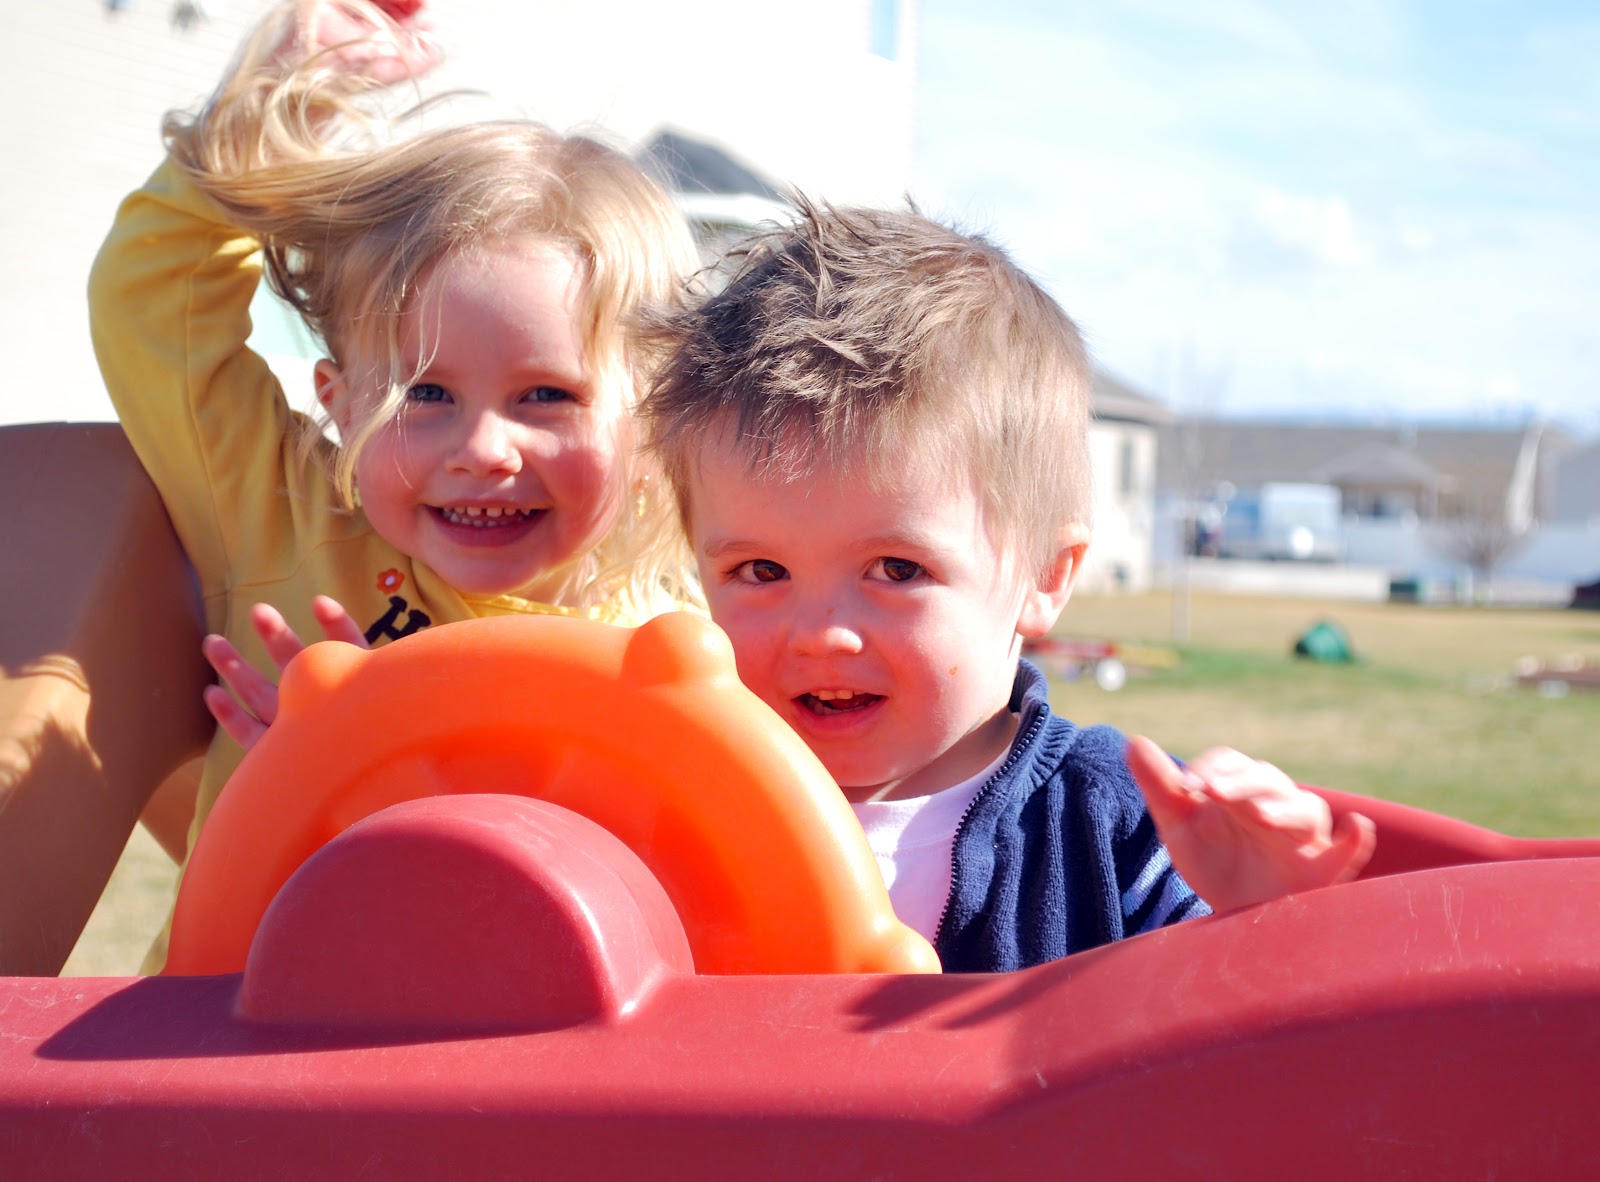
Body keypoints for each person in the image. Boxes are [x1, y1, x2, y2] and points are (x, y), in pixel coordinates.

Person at [87, 0, 700, 970]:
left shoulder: (674, 651)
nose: (484, 449)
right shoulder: (283, 515)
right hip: (230, 1029)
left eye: (547, 395)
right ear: (338, 402)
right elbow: (157, 303)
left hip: (531, 1048)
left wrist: (361, 769)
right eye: (426, 394)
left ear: (652, 418)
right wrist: (276, 103)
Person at [635, 201, 1377, 971]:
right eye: (761, 571)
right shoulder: (670, 807)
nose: (821, 631)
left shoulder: (1120, 828)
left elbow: (1248, 1033)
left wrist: (1261, 918)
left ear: (1044, 577)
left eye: (897, 570)